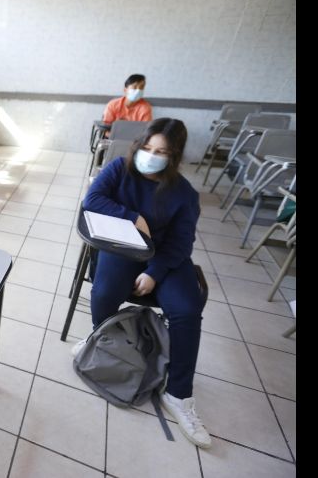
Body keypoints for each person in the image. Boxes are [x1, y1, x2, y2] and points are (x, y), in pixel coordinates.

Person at [76, 118, 211, 449]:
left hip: (166, 257)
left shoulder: (183, 194)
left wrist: (155, 272)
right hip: (124, 245)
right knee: (105, 291)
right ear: (140, 144)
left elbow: (181, 244)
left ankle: (179, 394)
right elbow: (92, 200)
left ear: (174, 156)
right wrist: (133, 217)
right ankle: (102, 342)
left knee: (187, 309)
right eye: (148, 147)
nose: (151, 155)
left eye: (161, 152)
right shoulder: (120, 169)